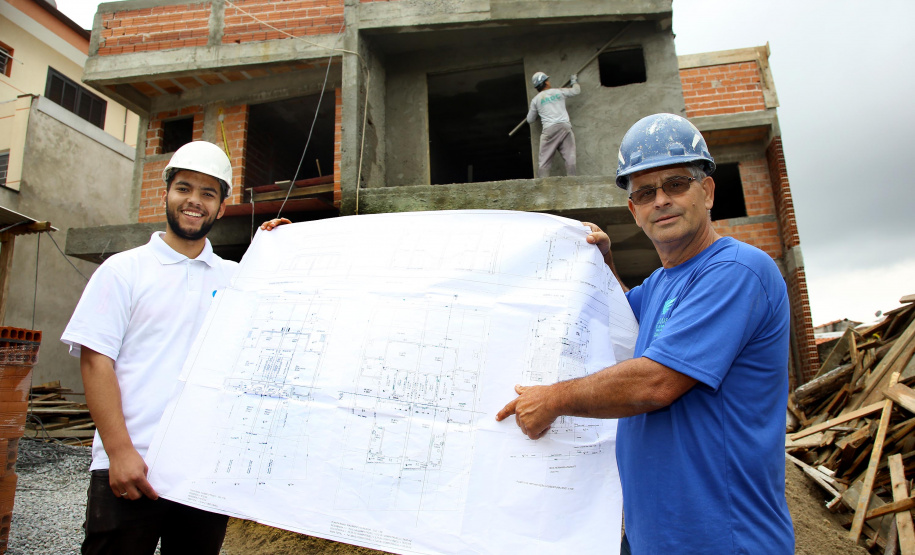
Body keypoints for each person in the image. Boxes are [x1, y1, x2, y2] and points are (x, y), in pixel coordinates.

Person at [496, 113, 794, 554]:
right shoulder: (659, 285)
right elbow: (619, 328)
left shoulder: (736, 271)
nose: (661, 201)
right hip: (653, 538)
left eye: (676, 184)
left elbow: (656, 382)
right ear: (633, 211)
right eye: (646, 193)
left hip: (723, 540)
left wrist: (553, 399)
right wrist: (603, 266)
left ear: (707, 191)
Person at [62, 141, 239, 554]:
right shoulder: (124, 269)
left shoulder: (236, 278)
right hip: (129, 467)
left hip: (199, 473)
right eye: (184, 188)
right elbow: (95, 362)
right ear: (166, 194)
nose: (194, 201)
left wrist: (280, 246)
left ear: (222, 207)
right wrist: (120, 452)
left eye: (208, 193)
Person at [526, 71, 580, 177]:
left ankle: (543, 185)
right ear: (546, 83)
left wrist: (540, 109)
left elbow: (530, 119)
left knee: (544, 162)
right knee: (570, 158)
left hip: (549, 130)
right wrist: (574, 81)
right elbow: (576, 91)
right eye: (548, 80)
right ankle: (573, 182)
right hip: (565, 128)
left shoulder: (536, 100)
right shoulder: (558, 92)